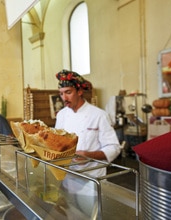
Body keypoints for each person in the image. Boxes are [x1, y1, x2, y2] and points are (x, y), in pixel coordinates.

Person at [54, 69, 121, 217]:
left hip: (92, 180)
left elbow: (114, 147)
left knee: (91, 215)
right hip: (68, 178)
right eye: (61, 93)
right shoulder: (62, 115)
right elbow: (57, 143)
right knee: (71, 214)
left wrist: (89, 155)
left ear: (79, 91)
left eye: (68, 92)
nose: (64, 98)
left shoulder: (99, 116)